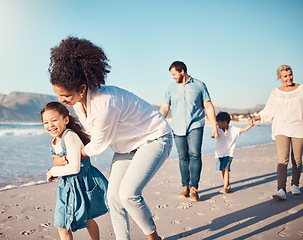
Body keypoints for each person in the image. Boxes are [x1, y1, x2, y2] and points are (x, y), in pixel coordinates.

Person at [48, 36, 172, 240]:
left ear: (81, 88)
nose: (61, 101)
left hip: (155, 138)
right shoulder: (79, 103)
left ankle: (154, 238)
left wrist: (69, 158)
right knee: (113, 198)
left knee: (128, 195)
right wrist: (64, 153)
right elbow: (89, 136)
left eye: (66, 96)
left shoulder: (104, 105)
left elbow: (97, 146)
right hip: (126, 148)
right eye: (58, 95)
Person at [41, 102, 109, 240]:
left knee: (88, 220)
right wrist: (55, 169)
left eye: (54, 120)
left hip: (82, 183)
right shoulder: (53, 141)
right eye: (46, 122)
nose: (50, 125)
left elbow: (74, 167)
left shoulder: (69, 136)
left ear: (65, 120)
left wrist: (53, 171)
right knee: (62, 224)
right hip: (67, 187)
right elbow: (63, 164)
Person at [159, 61, 218, 201]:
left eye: (174, 74)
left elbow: (208, 106)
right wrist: (156, 125)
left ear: (182, 71)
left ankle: (194, 188)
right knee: (183, 157)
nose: (173, 77)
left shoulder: (199, 85)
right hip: (178, 127)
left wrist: (215, 127)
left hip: (195, 125)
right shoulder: (170, 88)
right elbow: (165, 108)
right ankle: (184, 186)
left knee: (195, 154)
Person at [250, 64, 303, 200]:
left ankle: (295, 184)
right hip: (281, 128)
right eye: (285, 76)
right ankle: (281, 190)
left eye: (290, 74)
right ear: (279, 78)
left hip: (299, 127)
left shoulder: (301, 89)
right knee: (282, 160)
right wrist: (256, 117)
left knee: (297, 159)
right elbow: (268, 110)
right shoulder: (275, 93)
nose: (289, 78)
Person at [215, 112, 254, 194]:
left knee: (226, 168)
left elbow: (243, 129)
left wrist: (250, 125)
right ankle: (228, 185)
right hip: (219, 153)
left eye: (219, 122)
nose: (217, 124)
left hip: (229, 153)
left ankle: (225, 187)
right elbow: (214, 134)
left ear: (225, 122)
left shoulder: (233, 129)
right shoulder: (218, 130)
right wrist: (214, 135)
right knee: (223, 169)